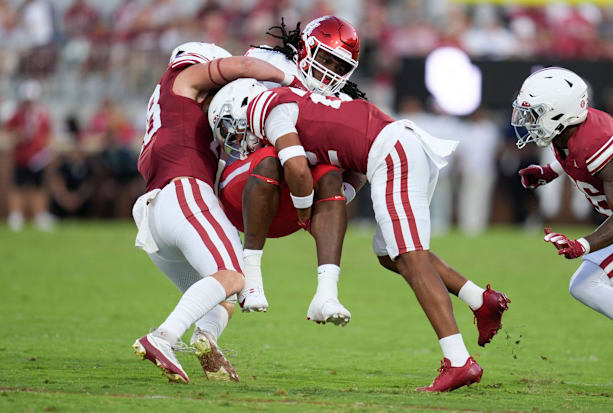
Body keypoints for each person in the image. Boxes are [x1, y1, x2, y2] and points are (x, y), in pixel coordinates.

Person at [209, 80, 511, 392]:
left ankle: (459, 361)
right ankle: (480, 299)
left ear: (241, 108)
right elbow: (353, 164)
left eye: (231, 129)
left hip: (393, 154)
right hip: (395, 149)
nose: (237, 140)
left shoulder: (267, 108)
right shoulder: (302, 105)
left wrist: (302, 211)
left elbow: (298, 169)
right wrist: (339, 197)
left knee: (411, 258)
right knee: (388, 253)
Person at [131, 41, 300, 384]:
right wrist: (290, 80)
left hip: (155, 211)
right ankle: (163, 337)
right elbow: (242, 66)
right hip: (184, 192)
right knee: (234, 275)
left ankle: (206, 341)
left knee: (223, 293)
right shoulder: (181, 78)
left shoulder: (171, 107)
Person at [225, 16, 367, 319]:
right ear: (305, 49)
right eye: (327, 59)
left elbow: (364, 161)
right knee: (270, 157)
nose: (331, 72)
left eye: (341, 66)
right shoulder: (269, 65)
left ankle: (327, 294)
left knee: (330, 175)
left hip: (294, 202)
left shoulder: (344, 101)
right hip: (243, 183)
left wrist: (344, 195)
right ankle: (250, 275)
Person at [513, 67, 613, 343]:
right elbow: (576, 158)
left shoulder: (596, 142)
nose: (529, 121)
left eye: (536, 113)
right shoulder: (568, 133)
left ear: (560, 111)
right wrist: (550, 171)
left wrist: (582, 244)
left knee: (585, 285)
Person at [5, 80, 55, 232]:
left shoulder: (42, 115)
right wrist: (17, 136)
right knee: (17, 186)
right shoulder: (17, 115)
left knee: (39, 187)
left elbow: (49, 134)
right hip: (21, 157)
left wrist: (46, 150)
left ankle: (39, 215)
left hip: (37, 158)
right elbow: (7, 132)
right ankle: (15, 215)